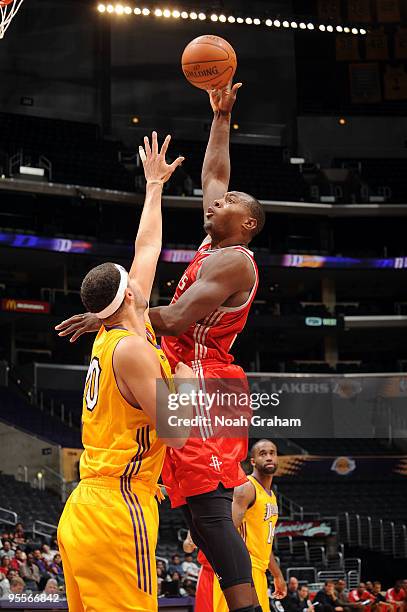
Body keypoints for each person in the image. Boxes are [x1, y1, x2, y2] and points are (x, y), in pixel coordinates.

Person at [56, 82, 265, 612]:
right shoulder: (209, 243)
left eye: (230, 202)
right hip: (181, 377)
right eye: (217, 199)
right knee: (200, 512)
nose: (218, 200)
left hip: (210, 381)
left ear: (247, 224)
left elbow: (170, 317)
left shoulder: (235, 259)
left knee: (213, 508)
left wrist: (116, 310)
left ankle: (245, 604)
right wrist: (221, 117)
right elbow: (214, 172)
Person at [57, 132, 194, 612]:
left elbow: (148, 245)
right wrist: (189, 379)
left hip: (86, 509)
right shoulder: (134, 350)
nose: (140, 277)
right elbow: (176, 435)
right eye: (133, 280)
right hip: (118, 510)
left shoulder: (110, 335)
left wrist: (154, 185)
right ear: (131, 295)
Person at [191, 440, 286, 612]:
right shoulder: (247, 488)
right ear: (253, 461)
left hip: (259, 571)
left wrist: (277, 574)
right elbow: (225, 530)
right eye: (263, 454)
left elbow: (265, 543)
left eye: (272, 453)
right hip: (242, 572)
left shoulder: (271, 496)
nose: (269, 457)